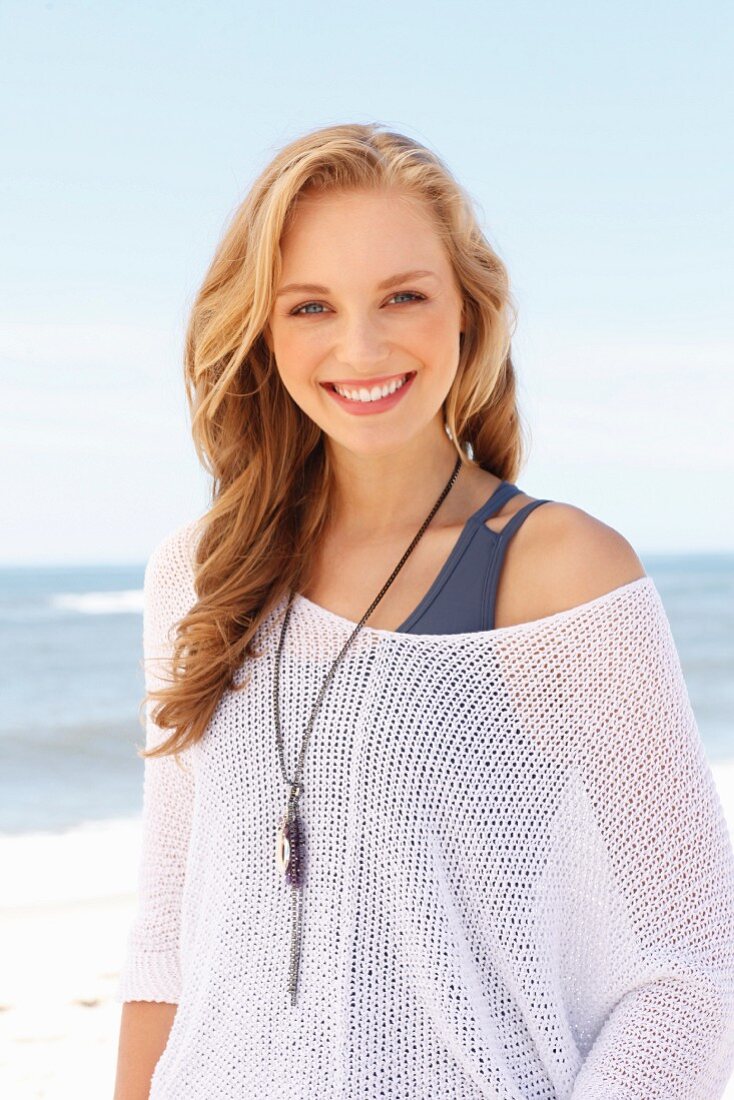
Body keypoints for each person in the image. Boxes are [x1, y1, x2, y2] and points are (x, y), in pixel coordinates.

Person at [113, 122, 734, 1099]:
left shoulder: (558, 570)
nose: (360, 346)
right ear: (262, 330)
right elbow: (165, 937)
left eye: (401, 295)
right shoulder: (198, 573)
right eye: (310, 305)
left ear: (466, 313)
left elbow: (695, 964)